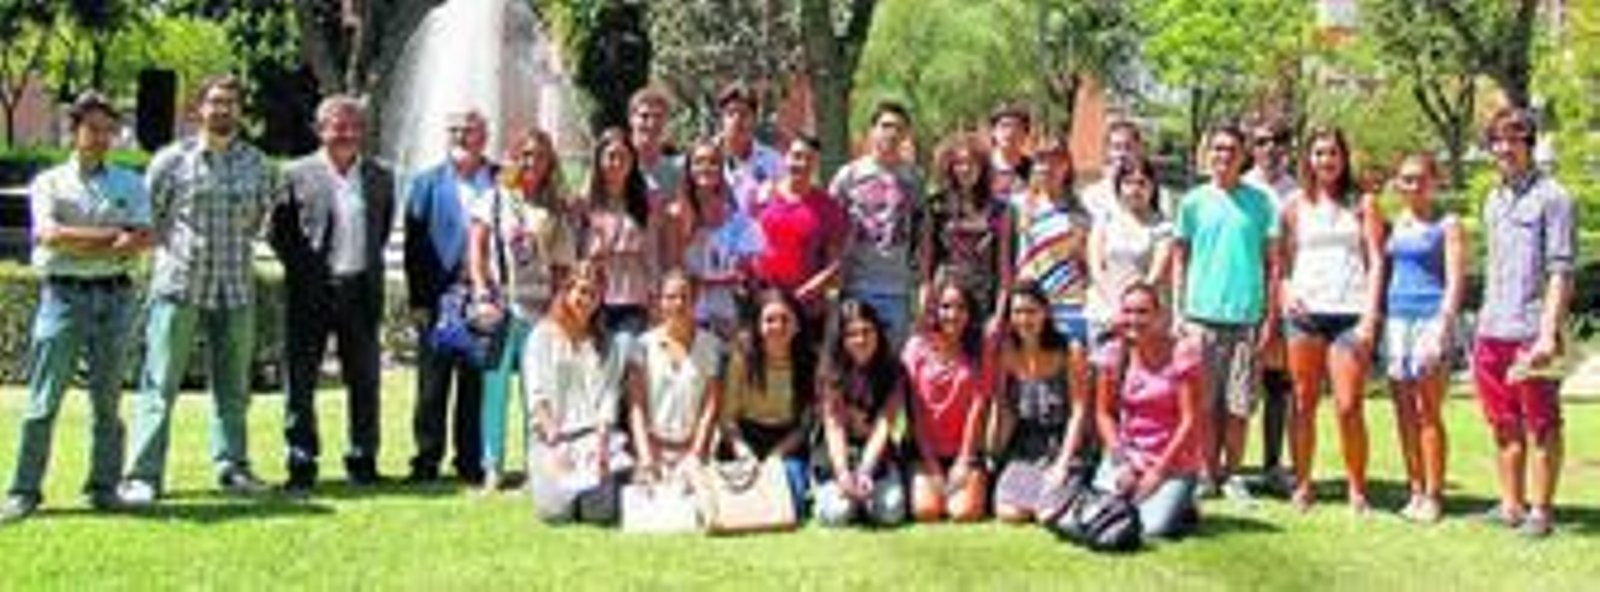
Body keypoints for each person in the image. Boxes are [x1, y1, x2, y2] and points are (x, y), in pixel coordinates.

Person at [120, 75, 278, 504]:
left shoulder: (258, 164)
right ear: (198, 109)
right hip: (180, 286)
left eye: (230, 103)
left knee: (233, 388)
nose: (222, 110)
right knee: (160, 384)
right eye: (214, 102)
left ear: (240, 111)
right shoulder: (172, 160)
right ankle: (142, 476)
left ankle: (233, 468)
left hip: (235, 289)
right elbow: (146, 218)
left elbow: (263, 218)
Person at [1, 92, 152, 523]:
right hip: (63, 297)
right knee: (43, 400)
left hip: (115, 297)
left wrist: (79, 238)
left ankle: (105, 488)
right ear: (75, 130)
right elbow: (49, 236)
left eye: (109, 130)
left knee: (108, 401)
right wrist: (109, 239)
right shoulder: (49, 182)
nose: (102, 137)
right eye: (93, 129)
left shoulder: (130, 182)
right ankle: (24, 491)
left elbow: (142, 237)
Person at [269, 95, 396, 493]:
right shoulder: (295, 173)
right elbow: (279, 233)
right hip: (312, 291)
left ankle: (363, 459)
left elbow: (382, 227)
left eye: (353, 125)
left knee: (364, 380)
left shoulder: (379, 176)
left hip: (360, 289)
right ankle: (301, 462)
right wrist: (304, 271)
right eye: (337, 126)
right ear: (321, 129)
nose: (346, 133)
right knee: (301, 381)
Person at [1473, 108, 1576, 538]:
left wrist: (1549, 333)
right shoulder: (1493, 199)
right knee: (1502, 421)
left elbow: (1561, 270)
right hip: (1492, 328)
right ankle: (1511, 504)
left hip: (1532, 330)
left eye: (1511, 139)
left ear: (1529, 144)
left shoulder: (1554, 197)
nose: (1502, 148)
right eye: (1496, 140)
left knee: (1542, 422)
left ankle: (1541, 511)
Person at [1170, 122, 1281, 503]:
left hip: (1246, 319)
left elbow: (1273, 266)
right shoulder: (1192, 202)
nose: (1223, 156)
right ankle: (1204, 473)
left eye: (1231, 149)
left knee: (1237, 406)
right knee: (1202, 404)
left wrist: (1268, 318)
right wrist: (1179, 314)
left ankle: (1232, 473)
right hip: (1200, 317)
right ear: (1207, 154)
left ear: (1243, 155)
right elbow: (1179, 260)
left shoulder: (1261, 202)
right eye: (1217, 149)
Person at [1281, 127, 1384, 513]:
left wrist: (1370, 315)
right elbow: (1283, 264)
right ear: (1308, 158)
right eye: (1319, 153)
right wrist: (1287, 293)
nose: (1326, 160)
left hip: (1350, 315)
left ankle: (1357, 488)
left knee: (1348, 405)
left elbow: (1376, 261)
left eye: (1333, 153)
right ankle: (1303, 483)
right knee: (1303, 402)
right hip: (1305, 316)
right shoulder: (1294, 205)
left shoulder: (1363, 203)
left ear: (1344, 158)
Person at [467, 128, 575, 491]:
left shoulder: (556, 208)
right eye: (525, 154)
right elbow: (477, 249)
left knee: (537, 392)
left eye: (540, 156)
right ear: (513, 157)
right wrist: (482, 290)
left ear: (550, 162)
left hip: (540, 310)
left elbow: (562, 266)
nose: (532, 162)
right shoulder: (495, 199)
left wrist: (558, 312)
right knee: (494, 391)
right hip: (501, 308)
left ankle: (536, 467)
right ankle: (492, 466)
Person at [403, 109, 498, 484]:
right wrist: (418, 302)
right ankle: (426, 458)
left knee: (475, 381)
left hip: (483, 296)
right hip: (437, 299)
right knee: (432, 385)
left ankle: (469, 461)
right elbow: (413, 247)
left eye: (469, 131)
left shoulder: (500, 178)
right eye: (454, 130)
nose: (461, 137)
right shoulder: (425, 182)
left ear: (484, 137)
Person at [1382, 153, 1466, 523]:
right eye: (1405, 179)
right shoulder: (1394, 224)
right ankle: (1414, 488)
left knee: (1428, 410)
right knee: (1402, 410)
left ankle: (1434, 493)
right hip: (1396, 321)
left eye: (1419, 178)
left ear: (1434, 181)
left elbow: (1456, 280)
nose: (1412, 186)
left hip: (1431, 319)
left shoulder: (1448, 225)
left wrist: (1444, 325)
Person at [1093, 282, 1203, 538]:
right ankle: (1167, 501)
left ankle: (1183, 500)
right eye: (1128, 311)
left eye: (1142, 312)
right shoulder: (1112, 352)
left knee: (1150, 528)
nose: (1134, 319)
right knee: (1106, 515)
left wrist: (1157, 473)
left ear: (1159, 315)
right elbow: (1103, 413)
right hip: (1129, 455)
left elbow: (1190, 420)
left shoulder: (1182, 353)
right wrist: (1121, 462)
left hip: (1172, 461)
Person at [528, 261, 630, 524]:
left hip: (592, 438)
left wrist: (603, 444)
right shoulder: (541, 336)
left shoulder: (608, 343)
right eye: (580, 291)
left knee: (600, 514)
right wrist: (556, 443)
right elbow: (536, 396)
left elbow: (608, 400)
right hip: (553, 437)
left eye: (593, 293)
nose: (585, 299)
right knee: (555, 514)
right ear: (566, 291)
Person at [990, 282, 1091, 524]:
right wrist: (994, 452)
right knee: (1010, 514)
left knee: (1046, 515)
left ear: (1045, 312)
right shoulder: (1007, 352)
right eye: (1017, 312)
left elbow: (1079, 411)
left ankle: (1076, 486)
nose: (1024, 319)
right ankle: (1041, 490)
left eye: (1031, 311)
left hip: (1062, 445)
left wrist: (1063, 464)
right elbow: (1005, 406)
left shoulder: (1070, 350)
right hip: (1025, 447)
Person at [831, 101, 924, 346]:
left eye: (899, 128)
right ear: (872, 130)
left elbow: (921, 228)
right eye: (885, 126)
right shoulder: (849, 175)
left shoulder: (914, 178)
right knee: (857, 362)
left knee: (894, 364)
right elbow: (830, 227)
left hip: (897, 287)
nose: (891, 133)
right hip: (857, 284)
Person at [718, 289, 817, 517]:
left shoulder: (809, 361)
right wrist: (744, 453)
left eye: (785, 319)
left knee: (791, 502)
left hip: (787, 442)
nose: (777, 326)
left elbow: (804, 427)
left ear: (797, 325)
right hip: (744, 439)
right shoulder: (741, 357)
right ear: (758, 325)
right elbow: (728, 419)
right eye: (769, 320)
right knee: (737, 500)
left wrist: (774, 457)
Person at [814, 299, 910, 527]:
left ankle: (864, 496)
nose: (861, 340)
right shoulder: (830, 371)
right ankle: (828, 492)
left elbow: (885, 425)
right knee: (838, 515)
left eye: (867, 331)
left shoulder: (894, 370)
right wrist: (843, 472)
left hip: (877, 456)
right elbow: (833, 426)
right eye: (852, 334)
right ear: (841, 339)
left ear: (878, 332)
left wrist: (866, 470)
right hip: (837, 454)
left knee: (890, 513)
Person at [1242, 117, 1298, 496]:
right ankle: (1225, 465)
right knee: (1234, 386)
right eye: (1262, 141)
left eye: (1278, 140)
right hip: (1241, 294)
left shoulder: (1298, 190)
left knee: (1279, 383)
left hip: (1287, 293)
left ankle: (1273, 464)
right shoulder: (1241, 186)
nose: (1270, 148)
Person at [904, 280, 989, 522]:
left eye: (961, 307)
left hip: (965, 451)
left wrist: (963, 461)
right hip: (924, 451)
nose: (953, 315)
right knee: (927, 511)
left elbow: (978, 408)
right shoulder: (916, 347)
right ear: (934, 309)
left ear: (970, 312)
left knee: (963, 512)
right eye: (946, 306)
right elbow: (915, 411)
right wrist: (932, 466)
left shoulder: (980, 349)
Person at [626, 271, 724, 482]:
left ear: (695, 299)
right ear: (659, 301)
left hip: (696, 450)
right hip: (652, 450)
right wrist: (646, 458)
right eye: (670, 297)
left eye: (684, 296)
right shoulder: (642, 345)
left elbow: (710, 408)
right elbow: (637, 408)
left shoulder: (711, 345)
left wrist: (695, 455)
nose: (678, 303)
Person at [751, 135, 847, 331]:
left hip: (806, 307)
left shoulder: (828, 207)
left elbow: (835, 263)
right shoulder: (762, 195)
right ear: (785, 158)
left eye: (809, 159)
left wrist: (808, 290)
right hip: (764, 301)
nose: (801, 164)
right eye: (796, 156)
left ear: (816, 165)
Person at [678, 141, 766, 339]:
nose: (706, 168)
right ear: (688, 169)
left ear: (721, 168)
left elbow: (751, 272)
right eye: (698, 162)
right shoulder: (676, 217)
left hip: (731, 317)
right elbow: (672, 269)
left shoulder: (740, 222)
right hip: (689, 316)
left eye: (713, 162)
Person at [920, 132, 1010, 324]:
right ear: (950, 167)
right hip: (945, 301)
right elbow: (926, 266)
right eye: (959, 163)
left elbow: (1004, 269)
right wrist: (924, 307)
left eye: (972, 162)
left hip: (983, 300)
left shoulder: (998, 209)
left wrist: (999, 316)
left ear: (983, 167)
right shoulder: (936, 206)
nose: (965, 168)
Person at [578, 128, 656, 340]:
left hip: (633, 297)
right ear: (599, 160)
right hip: (594, 298)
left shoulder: (642, 202)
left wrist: (654, 294)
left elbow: (651, 253)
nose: (617, 163)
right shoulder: (585, 202)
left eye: (624, 156)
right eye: (611, 156)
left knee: (627, 358)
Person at [1085, 158, 1172, 350]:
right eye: (1128, 182)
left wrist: (1133, 311)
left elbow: (1155, 275)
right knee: (1103, 376)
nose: (1135, 189)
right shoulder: (1105, 219)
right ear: (1118, 187)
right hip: (1104, 312)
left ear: (1153, 187)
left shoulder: (1163, 226)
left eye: (1142, 183)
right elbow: (1095, 266)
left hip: (1144, 318)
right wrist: (1116, 307)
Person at [1012, 135, 1090, 345]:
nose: (1048, 167)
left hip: (1069, 302)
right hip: (1027, 301)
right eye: (1041, 160)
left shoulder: (1081, 212)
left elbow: (1086, 262)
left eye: (1056, 160)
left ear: (1067, 166)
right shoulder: (1016, 206)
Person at [716, 82, 784, 213]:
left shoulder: (773, 161)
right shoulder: (706, 160)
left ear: (754, 119)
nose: (737, 120)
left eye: (744, 114)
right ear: (722, 119)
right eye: (731, 113)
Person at [1080, 119, 1150, 225]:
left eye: (1128, 147)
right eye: (1116, 147)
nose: (1122, 154)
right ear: (1108, 151)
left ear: (1139, 150)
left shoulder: (1155, 196)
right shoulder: (1091, 196)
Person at [628, 86, 682, 204]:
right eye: (644, 116)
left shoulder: (677, 171)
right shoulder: (615, 163)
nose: (652, 123)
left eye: (658, 116)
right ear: (631, 119)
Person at [988, 102, 1033, 197]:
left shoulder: (1034, 170)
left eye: (1017, 127)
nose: (1010, 132)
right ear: (993, 131)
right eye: (1004, 126)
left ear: (1025, 134)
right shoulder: (981, 167)